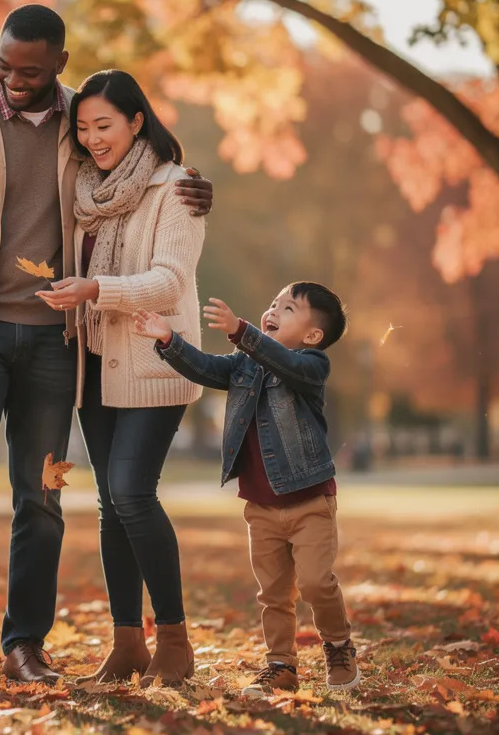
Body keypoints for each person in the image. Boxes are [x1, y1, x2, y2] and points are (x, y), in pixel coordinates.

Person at [0, 4, 213, 690]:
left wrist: (196, 184)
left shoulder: (87, 122)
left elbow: (146, 178)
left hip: (55, 344)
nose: (15, 80)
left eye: (31, 71)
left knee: (40, 499)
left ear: (59, 66)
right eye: (5, 66)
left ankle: (26, 646)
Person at [35, 70, 204, 686]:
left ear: (137, 122)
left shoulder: (177, 188)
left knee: (133, 492)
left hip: (153, 360)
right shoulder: (83, 192)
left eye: (104, 125)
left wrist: (96, 289)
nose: (93, 138)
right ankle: (128, 643)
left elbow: (167, 281)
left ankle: (176, 641)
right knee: (112, 506)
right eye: (83, 128)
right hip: (96, 364)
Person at [132, 283, 361, 694]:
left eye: (288, 308)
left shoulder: (312, 365)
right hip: (260, 506)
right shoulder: (244, 364)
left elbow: (284, 363)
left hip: (310, 500)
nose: (273, 309)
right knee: (272, 593)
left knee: (314, 583)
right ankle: (280, 665)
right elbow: (205, 368)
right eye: (273, 302)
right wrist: (168, 339)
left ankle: (338, 645)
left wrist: (241, 332)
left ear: (312, 336)